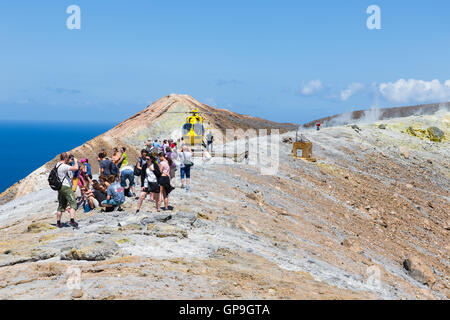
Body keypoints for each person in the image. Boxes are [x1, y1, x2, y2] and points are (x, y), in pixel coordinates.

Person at [55, 152, 79, 228]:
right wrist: (75, 161)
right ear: (65, 158)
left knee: (61, 205)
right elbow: (76, 168)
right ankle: (72, 220)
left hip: (60, 187)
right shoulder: (64, 166)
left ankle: (58, 222)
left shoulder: (57, 165)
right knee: (73, 203)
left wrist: (68, 162)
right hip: (66, 187)